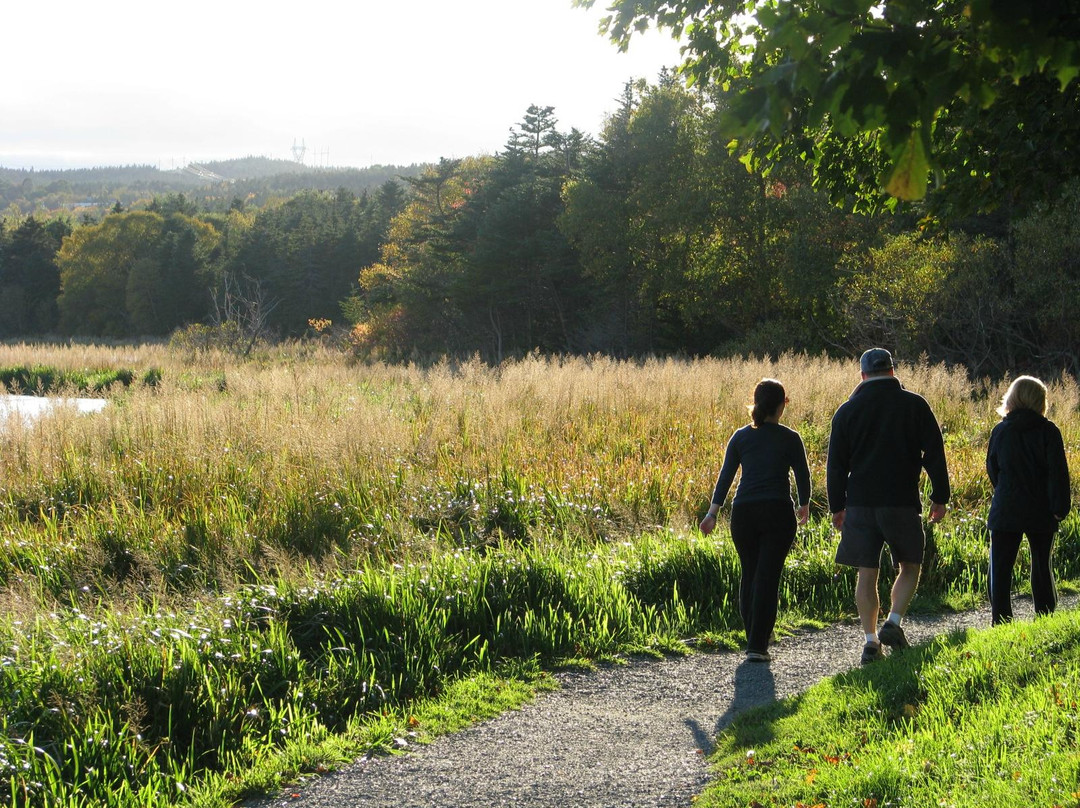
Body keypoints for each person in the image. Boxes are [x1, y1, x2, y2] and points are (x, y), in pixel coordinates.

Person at [826, 348, 950, 665]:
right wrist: (940, 496)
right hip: (901, 501)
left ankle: (870, 643)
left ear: (863, 375)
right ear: (893, 372)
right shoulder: (915, 404)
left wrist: (837, 506)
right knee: (910, 565)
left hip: (861, 503)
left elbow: (836, 466)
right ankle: (893, 623)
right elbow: (934, 452)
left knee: (867, 572)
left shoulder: (847, 410)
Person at [700, 378, 811, 663]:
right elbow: (802, 476)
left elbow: (726, 477)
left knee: (749, 573)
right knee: (768, 576)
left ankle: (755, 637)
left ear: (757, 403)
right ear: (782, 405)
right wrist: (804, 504)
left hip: (744, 512)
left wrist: (712, 513)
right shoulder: (790, 438)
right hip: (777, 511)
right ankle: (758, 646)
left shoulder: (740, 437)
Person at [985, 375, 1071, 625]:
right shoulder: (1048, 431)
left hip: (1006, 506)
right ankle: (1044, 617)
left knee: (1000, 568)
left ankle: (1001, 621)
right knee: (1042, 564)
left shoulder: (1000, 430)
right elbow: (1058, 472)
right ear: (1040, 400)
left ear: (1012, 397)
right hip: (1040, 507)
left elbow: (992, 467)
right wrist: (1059, 508)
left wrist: (1002, 491)